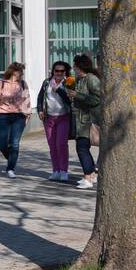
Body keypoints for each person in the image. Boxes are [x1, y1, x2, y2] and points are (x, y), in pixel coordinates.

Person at [0, 62, 31, 179]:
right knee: (2, 144)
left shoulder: (23, 84)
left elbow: (27, 99)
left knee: (14, 143)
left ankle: (10, 168)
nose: (21, 74)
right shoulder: (1, 83)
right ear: (14, 72)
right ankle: (12, 158)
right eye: (20, 71)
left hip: (19, 116)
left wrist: (28, 115)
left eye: (22, 72)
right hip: (2, 115)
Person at [36, 61, 73, 182]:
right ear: (53, 71)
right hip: (49, 118)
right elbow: (40, 97)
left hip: (63, 117)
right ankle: (56, 170)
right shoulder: (47, 82)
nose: (59, 73)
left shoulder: (69, 82)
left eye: (62, 71)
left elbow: (69, 101)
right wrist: (40, 110)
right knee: (52, 145)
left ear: (65, 72)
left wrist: (59, 90)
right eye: (56, 71)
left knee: (61, 144)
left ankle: (63, 171)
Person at [71, 53, 103, 189]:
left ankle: (88, 177)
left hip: (89, 120)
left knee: (82, 148)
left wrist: (78, 95)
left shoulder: (91, 79)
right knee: (83, 147)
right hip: (80, 120)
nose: (73, 68)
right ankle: (91, 175)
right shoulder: (79, 79)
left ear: (79, 66)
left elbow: (97, 98)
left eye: (75, 65)